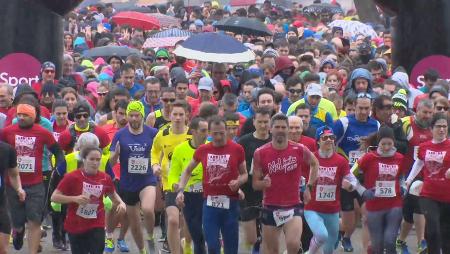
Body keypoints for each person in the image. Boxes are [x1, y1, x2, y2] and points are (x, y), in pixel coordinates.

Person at [176, 115, 248, 254]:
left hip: (230, 203)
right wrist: (180, 191)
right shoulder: (203, 150)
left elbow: (244, 174)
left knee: (231, 249)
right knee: (213, 247)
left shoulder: (237, 149)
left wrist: (238, 181)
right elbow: (187, 171)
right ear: (209, 133)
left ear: (226, 131)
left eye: (221, 133)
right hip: (210, 205)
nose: (219, 137)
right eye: (215, 133)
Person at [1, 100, 64, 254]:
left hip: (36, 183)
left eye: (25, 115)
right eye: (19, 115)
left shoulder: (42, 132)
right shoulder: (7, 131)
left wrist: (60, 167)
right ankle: (18, 230)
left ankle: (32, 251)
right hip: (12, 183)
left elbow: (58, 151)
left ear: (33, 116)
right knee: (16, 221)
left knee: (34, 220)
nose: (21, 118)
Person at [252, 113, 319, 254]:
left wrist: (309, 187)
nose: (280, 130)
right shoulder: (260, 152)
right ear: (271, 129)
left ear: (288, 129)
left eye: (284, 127)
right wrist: (264, 183)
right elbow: (255, 184)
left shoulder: (299, 149)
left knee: (293, 244)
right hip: (270, 206)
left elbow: (315, 163)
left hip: (293, 205)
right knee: (271, 250)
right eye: (277, 127)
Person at [51, 145, 126, 254]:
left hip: (96, 223)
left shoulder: (105, 178)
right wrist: (75, 199)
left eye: (98, 160)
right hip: (76, 224)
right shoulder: (72, 177)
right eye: (91, 159)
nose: (95, 163)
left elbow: (113, 194)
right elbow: (54, 197)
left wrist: (121, 203)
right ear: (84, 160)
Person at [109, 100, 159, 254]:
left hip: (147, 180)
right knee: (135, 224)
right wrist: (116, 154)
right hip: (128, 183)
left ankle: (150, 236)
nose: (134, 119)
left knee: (148, 209)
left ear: (142, 116)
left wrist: (158, 167)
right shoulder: (120, 135)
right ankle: (142, 250)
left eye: (137, 115)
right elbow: (110, 163)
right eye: (131, 115)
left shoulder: (152, 133)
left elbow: (159, 153)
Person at [333, 92, 380, 252]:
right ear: (354, 107)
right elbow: (329, 145)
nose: (362, 111)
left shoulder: (376, 125)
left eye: (366, 108)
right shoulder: (343, 123)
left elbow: (377, 151)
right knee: (349, 222)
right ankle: (343, 234)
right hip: (346, 177)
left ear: (371, 108)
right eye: (360, 108)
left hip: (364, 178)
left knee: (368, 216)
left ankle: (368, 249)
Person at [352, 127, 406, 253]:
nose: (386, 147)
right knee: (377, 245)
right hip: (374, 206)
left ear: (394, 142)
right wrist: (363, 191)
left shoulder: (400, 158)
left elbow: (402, 176)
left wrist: (403, 187)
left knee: (390, 240)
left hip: (394, 204)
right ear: (378, 143)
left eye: (389, 144)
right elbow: (350, 176)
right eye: (383, 144)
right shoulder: (368, 158)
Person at [304, 126, 356, 254]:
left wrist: (349, 186)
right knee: (321, 235)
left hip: (332, 210)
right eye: (324, 138)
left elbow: (353, 180)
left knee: (329, 248)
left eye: (331, 137)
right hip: (312, 208)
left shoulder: (341, 161)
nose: (329, 140)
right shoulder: (311, 158)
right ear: (318, 141)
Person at [405, 113, 450, 254]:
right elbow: (418, 163)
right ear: (431, 129)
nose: (442, 130)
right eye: (438, 126)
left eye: (444, 126)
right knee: (433, 228)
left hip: (447, 196)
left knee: (446, 233)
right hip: (428, 194)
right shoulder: (424, 146)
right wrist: (409, 180)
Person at [151, 100, 191, 254]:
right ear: (170, 116)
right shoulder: (163, 134)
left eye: (181, 114)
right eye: (175, 114)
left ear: (187, 115)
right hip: (170, 183)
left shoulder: (193, 134)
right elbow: (154, 151)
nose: (178, 117)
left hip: (190, 183)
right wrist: (155, 166)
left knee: (186, 223)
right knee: (173, 220)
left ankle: (182, 247)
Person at [397, 99, 434, 253]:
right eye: (424, 112)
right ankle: (400, 240)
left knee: (419, 208)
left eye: (430, 113)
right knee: (408, 214)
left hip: (424, 176)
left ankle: (421, 242)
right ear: (417, 110)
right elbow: (396, 145)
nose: (427, 116)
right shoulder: (405, 123)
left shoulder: (434, 127)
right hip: (404, 174)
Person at [168, 117, 209, 254]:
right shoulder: (180, 150)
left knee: (207, 230)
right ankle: (187, 245)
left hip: (207, 194)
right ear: (193, 132)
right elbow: (173, 173)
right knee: (196, 231)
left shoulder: (212, 147)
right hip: (188, 195)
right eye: (203, 131)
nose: (207, 134)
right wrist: (176, 185)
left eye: (208, 130)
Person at [237, 107, 272, 253]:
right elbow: (235, 165)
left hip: (269, 191)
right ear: (254, 122)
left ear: (270, 122)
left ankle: (257, 250)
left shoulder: (274, 140)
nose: (263, 125)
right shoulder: (244, 142)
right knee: (251, 237)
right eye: (260, 122)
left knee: (267, 232)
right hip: (248, 191)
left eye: (266, 122)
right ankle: (254, 246)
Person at [0, 141, 26, 254]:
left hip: (0, 204)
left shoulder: (7, 149)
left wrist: (19, 188)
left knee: (3, 249)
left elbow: (14, 174)